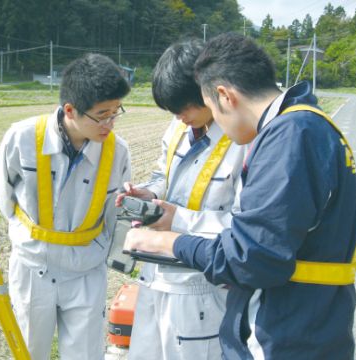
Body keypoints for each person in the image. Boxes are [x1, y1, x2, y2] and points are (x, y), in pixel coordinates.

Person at [123, 33, 356, 359]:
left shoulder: (290, 137)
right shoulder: (305, 127)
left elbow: (253, 258)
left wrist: (170, 242)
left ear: (224, 95)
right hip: (304, 324)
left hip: (285, 333)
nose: (214, 123)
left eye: (208, 108)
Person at [0, 53, 131, 360]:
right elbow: (4, 193)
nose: (110, 123)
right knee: (28, 352)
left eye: (115, 112)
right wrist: (28, 236)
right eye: (102, 114)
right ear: (70, 110)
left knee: (85, 354)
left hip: (86, 271)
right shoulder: (22, 137)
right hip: (33, 267)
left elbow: (116, 215)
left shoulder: (118, 152)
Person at [116, 39, 245, 360]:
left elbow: (244, 227)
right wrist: (150, 194)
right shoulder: (177, 127)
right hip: (154, 276)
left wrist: (178, 219)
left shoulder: (241, 141)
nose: (180, 117)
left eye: (184, 108)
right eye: (173, 111)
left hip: (201, 287)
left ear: (209, 92)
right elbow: (164, 177)